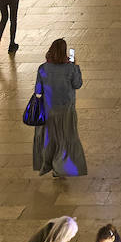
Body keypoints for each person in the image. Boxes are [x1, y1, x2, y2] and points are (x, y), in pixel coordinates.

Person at [32, 39, 87, 178]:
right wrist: (76, 66)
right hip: (66, 110)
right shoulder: (70, 68)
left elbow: (38, 91)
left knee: (51, 139)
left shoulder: (43, 68)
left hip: (48, 109)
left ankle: (50, 165)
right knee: (65, 138)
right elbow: (77, 84)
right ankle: (60, 166)